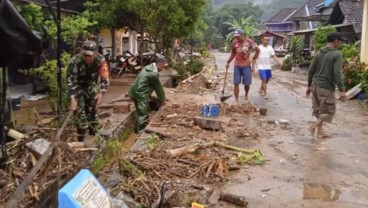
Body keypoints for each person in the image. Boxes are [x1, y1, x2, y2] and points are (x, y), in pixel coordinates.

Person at [306, 32, 347, 139]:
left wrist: (309, 85)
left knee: (320, 110)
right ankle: (313, 127)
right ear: (335, 41)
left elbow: (311, 71)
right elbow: (337, 73)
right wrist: (342, 90)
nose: (341, 43)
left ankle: (320, 132)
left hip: (315, 85)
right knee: (329, 111)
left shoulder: (319, 53)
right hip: (326, 87)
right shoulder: (336, 54)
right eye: (340, 41)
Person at [67, 40, 109, 142]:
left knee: (92, 109)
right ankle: (80, 137)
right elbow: (71, 82)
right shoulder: (74, 62)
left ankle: (93, 134)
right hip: (78, 86)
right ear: (81, 52)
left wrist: (101, 93)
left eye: (90, 55)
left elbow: (105, 79)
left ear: (95, 54)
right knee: (79, 112)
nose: (87, 58)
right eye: (85, 55)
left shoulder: (101, 60)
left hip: (91, 85)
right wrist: (73, 99)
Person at [129, 55, 166, 133]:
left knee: (141, 111)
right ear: (159, 64)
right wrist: (162, 99)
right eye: (163, 67)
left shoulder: (148, 67)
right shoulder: (153, 74)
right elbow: (158, 88)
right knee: (143, 113)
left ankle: (138, 129)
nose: (163, 69)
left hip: (135, 91)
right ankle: (139, 131)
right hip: (141, 94)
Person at [226, 29, 259, 103]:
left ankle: (246, 94)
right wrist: (228, 62)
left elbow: (257, 49)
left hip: (246, 65)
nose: (236, 38)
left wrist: (254, 59)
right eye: (235, 36)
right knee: (236, 83)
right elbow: (233, 53)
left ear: (242, 35)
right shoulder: (234, 42)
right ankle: (236, 100)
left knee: (247, 83)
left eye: (238, 36)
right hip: (237, 65)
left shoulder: (249, 41)